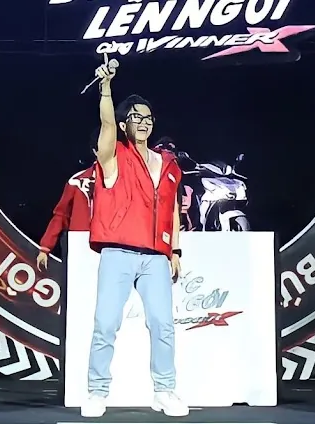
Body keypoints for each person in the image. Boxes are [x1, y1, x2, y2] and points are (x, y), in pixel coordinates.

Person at [80, 57, 187, 418]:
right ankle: (97, 392)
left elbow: (172, 208)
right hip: (118, 253)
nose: (143, 122)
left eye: (148, 118)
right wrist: (106, 88)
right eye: (136, 117)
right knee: (105, 324)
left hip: (156, 257)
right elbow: (106, 122)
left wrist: (175, 250)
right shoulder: (114, 157)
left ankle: (165, 391)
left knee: (163, 325)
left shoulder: (167, 163)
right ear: (125, 122)